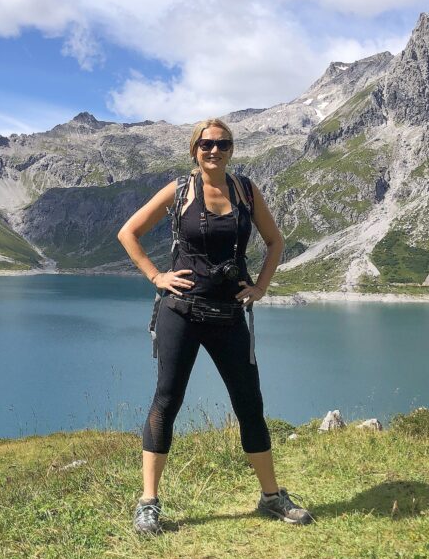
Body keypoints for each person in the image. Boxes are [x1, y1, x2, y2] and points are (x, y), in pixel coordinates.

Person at [117, 118, 312, 534]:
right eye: (206, 144)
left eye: (223, 144)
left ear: (231, 149)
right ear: (194, 149)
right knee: (166, 403)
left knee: (249, 403)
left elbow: (275, 242)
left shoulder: (246, 190)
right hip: (180, 312)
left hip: (229, 315)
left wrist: (260, 286)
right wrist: (157, 277)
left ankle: (271, 496)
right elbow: (128, 232)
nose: (214, 150)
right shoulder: (179, 190)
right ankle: (148, 503)